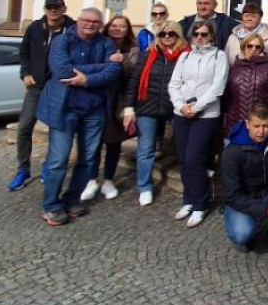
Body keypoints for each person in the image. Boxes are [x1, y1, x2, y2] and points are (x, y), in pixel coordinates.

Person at [35, 7, 122, 226]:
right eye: (87, 20)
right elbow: (62, 71)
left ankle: (72, 199)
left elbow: (114, 72)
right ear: (78, 21)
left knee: (89, 159)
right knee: (58, 159)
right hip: (66, 109)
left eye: (96, 22)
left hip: (95, 110)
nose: (91, 24)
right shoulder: (62, 41)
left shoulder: (105, 43)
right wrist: (101, 67)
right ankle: (52, 205)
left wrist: (87, 79)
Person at [168, 21, 229, 228]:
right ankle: (189, 199)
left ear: (211, 36)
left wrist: (197, 107)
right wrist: (180, 105)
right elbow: (174, 84)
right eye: (196, 34)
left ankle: (201, 203)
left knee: (195, 158)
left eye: (204, 34)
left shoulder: (218, 56)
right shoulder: (185, 56)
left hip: (206, 114)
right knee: (184, 159)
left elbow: (217, 86)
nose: (199, 38)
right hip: (182, 112)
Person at [9, 0, 73, 191]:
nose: (53, 10)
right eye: (49, 7)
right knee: (24, 127)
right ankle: (23, 170)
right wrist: (25, 73)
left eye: (57, 7)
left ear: (64, 8)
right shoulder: (35, 28)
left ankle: (48, 166)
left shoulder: (72, 29)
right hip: (36, 86)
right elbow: (24, 52)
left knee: (55, 129)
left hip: (58, 87)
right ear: (45, 9)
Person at [123, 20, 188, 206]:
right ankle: (144, 186)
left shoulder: (186, 54)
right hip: (147, 106)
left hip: (174, 107)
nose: (167, 37)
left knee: (182, 146)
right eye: (163, 34)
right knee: (146, 148)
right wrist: (129, 107)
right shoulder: (149, 53)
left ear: (178, 35)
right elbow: (134, 81)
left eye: (171, 34)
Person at [221, 103, 268, 251]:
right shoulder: (232, 152)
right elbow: (232, 195)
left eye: (265, 126)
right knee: (242, 235)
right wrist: (266, 209)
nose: (261, 131)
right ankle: (262, 224)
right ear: (247, 124)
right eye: (256, 126)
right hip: (243, 198)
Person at [81, 15, 140, 202]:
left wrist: (123, 60)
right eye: (114, 25)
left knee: (114, 143)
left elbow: (135, 74)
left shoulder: (133, 49)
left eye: (122, 26)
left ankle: (108, 180)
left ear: (127, 29)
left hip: (119, 102)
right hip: (97, 100)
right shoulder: (98, 44)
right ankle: (91, 179)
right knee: (94, 144)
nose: (117, 29)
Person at [222, 32, 268, 137]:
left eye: (257, 47)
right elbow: (227, 99)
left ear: (261, 49)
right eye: (249, 46)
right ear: (243, 47)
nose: (253, 49)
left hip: (262, 128)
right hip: (236, 126)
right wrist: (225, 123)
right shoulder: (234, 69)